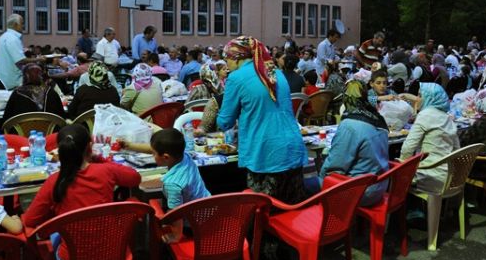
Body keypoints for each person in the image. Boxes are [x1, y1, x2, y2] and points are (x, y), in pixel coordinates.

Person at [23, 125, 141, 260]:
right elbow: (135, 178)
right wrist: (101, 159)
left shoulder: (54, 181)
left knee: (54, 234)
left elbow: (30, 220)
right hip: (113, 256)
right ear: (90, 147)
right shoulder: (106, 171)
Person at [217, 36, 308, 204]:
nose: (226, 64)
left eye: (226, 59)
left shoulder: (236, 78)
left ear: (236, 58)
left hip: (265, 151)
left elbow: (225, 122)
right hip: (292, 146)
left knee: (264, 210)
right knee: (291, 206)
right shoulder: (277, 73)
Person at [319, 80, 389, 206]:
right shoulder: (378, 118)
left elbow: (335, 167)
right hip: (380, 186)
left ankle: (329, 223)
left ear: (345, 98)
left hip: (361, 191)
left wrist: (322, 172)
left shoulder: (349, 125)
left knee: (308, 185)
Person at [150, 128, 211, 243]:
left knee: (161, 208)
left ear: (166, 157)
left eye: (153, 153)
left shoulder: (172, 184)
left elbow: (176, 214)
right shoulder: (185, 157)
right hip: (209, 211)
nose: (152, 155)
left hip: (194, 225)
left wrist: (176, 236)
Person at [399, 83, 460, 193]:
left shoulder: (425, 115)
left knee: (393, 173)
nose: (418, 99)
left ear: (429, 98)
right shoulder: (447, 118)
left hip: (431, 176)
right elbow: (457, 149)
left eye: (420, 95)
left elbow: (407, 149)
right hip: (451, 178)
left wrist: (402, 170)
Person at [0, 14, 41, 89]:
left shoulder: (3, 36)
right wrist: (38, 59)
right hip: (14, 81)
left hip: (5, 79)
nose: (23, 26)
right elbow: (20, 60)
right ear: (15, 25)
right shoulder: (13, 38)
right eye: (22, 23)